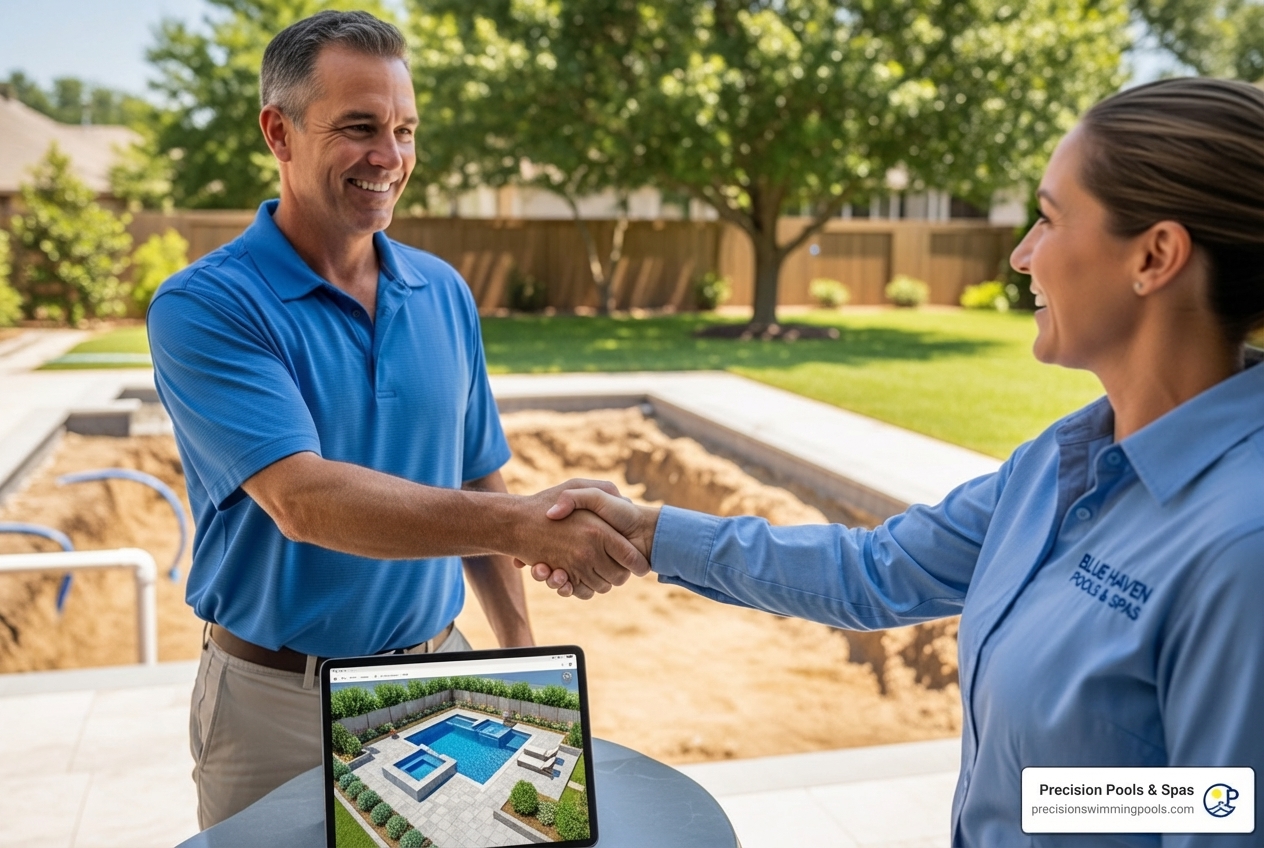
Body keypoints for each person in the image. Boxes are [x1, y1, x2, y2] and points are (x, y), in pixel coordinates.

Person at [526, 77, 1264, 847]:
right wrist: (650, 534)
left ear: (1155, 256)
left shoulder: (1243, 549)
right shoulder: (1060, 461)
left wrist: (1030, 804)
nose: (1020, 255)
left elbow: (1223, 806)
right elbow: (874, 571)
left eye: (1047, 219)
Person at [146, 11, 642, 828]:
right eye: (359, 127)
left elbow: (477, 473)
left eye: (405, 130)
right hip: (277, 703)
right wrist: (524, 526)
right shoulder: (207, 305)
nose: (390, 157)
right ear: (279, 131)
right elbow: (303, 500)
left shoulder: (443, 291)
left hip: (439, 680)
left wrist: (521, 663)